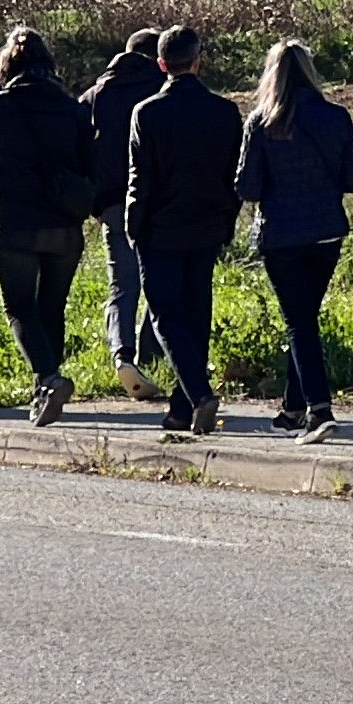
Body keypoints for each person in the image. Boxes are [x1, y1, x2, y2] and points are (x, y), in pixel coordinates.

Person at [234, 38, 353, 444]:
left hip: (282, 233)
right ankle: (292, 407)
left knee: (298, 320)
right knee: (305, 316)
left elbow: (248, 188)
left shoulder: (262, 122)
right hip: (327, 229)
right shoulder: (336, 117)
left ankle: (318, 408)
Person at [0, 26, 96, 428]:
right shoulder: (72, 107)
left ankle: (48, 379)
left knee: (20, 307)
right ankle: (47, 387)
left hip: (16, 222)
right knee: (52, 307)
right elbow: (89, 159)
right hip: (63, 223)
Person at [124, 23, 244, 437]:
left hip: (160, 226)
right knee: (196, 314)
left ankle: (197, 392)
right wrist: (229, 218)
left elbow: (140, 179)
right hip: (208, 224)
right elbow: (234, 175)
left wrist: (133, 225)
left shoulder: (148, 113)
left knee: (164, 315)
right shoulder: (226, 112)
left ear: (161, 65)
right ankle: (181, 408)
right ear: (198, 61)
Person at [81, 26, 168, 400]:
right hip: (160, 200)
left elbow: (78, 144)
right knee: (160, 278)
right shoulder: (161, 91)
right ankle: (152, 348)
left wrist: (92, 195)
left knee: (122, 283)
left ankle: (122, 353)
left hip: (114, 202)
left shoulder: (96, 94)